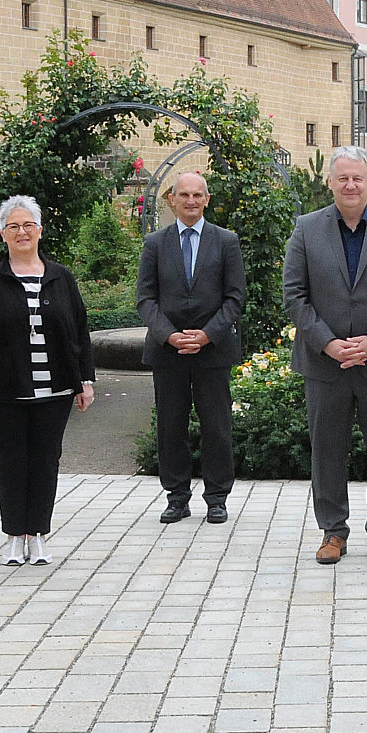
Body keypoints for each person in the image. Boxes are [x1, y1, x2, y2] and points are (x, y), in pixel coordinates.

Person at [282, 147, 367, 566]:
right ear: (330, 182)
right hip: (325, 363)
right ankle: (332, 531)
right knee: (327, 449)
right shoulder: (306, 229)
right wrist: (327, 342)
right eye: (342, 178)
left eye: (357, 177)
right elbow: (295, 295)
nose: (350, 185)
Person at [0, 195, 96, 566]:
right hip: (6, 393)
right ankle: (13, 535)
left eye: (28, 225)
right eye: (13, 226)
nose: (22, 232)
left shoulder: (60, 277)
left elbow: (80, 331)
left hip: (54, 390)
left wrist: (85, 380)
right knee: (10, 463)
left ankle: (37, 534)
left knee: (45, 462)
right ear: (3, 234)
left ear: (39, 230)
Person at [137, 171, 246, 525]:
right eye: (184, 195)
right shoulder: (155, 243)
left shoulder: (226, 241)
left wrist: (206, 335)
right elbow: (145, 299)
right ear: (172, 199)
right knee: (171, 426)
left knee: (217, 426)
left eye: (198, 195)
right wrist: (169, 334)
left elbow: (235, 298)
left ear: (207, 200)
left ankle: (217, 497)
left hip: (212, 351)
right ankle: (177, 497)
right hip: (167, 352)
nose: (191, 201)